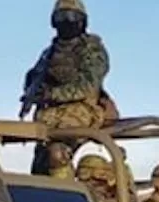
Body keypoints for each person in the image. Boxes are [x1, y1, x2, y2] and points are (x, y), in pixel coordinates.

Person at [19, 0, 117, 178]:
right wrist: (33, 91)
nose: (67, 21)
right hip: (49, 114)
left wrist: (53, 93)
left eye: (72, 17)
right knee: (40, 166)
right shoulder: (49, 53)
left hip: (82, 110)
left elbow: (89, 85)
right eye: (61, 17)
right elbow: (33, 77)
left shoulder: (91, 49)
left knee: (58, 154)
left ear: (82, 22)